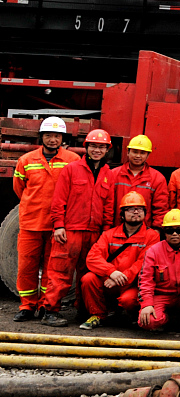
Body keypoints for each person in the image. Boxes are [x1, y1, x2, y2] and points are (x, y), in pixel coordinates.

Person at [43, 128, 114, 327]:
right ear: (87, 148)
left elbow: (108, 205)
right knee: (60, 272)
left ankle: (83, 311)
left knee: (87, 274)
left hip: (94, 233)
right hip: (70, 231)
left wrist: (106, 232)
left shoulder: (108, 174)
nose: (97, 150)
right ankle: (50, 311)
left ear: (107, 149)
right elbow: (58, 200)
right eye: (93, 146)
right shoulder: (71, 169)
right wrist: (58, 225)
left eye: (101, 147)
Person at [13, 117, 80, 321]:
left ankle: (45, 305)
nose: (52, 139)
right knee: (26, 266)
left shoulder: (72, 160)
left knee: (53, 268)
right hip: (30, 223)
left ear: (63, 138)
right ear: (41, 137)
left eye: (57, 136)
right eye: (48, 135)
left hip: (57, 226)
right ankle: (26, 306)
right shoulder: (26, 160)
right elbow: (19, 188)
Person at [78, 193, 159, 330]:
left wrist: (121, 277)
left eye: (139, 209)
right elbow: (92, 257)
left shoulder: (152, 236)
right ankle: (97, 315)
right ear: (122, 213)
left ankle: (131, 315)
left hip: (133, 283)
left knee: (129, 300)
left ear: (145, 213)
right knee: (88, 279)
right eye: (130, 209)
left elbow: (143, 263)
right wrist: (111, 272)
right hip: (110, 279)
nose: (135, 212)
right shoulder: (109, 234)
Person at [136, 209, 180, 335]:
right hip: (161, 295)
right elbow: (145, 280)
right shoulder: (153, 251)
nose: (174, 234)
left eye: (179, 230)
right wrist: (147, 304)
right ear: (164, 232)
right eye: (169, 230)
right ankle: (168, 320)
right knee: (148, 321)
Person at [102, 135, 168, 230]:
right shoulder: (113, 174)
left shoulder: (157, 179)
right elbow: (107, 205)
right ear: (128, 152)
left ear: (148, 155)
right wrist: (106, 227)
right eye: (135, 152)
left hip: (144, 233)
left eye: (142, 153)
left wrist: (156, 231)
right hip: (115, 230)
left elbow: (160, 209)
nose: (138, 156)